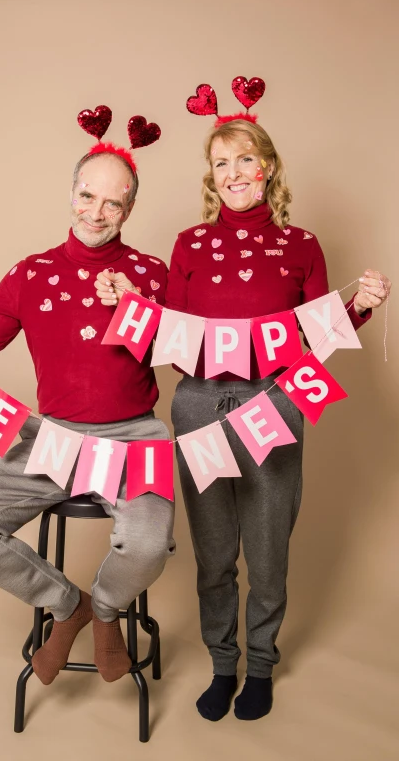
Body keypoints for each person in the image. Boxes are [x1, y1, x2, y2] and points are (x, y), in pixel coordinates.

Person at [0, 148, 175, 686]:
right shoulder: (31, 273)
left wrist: (141, 310)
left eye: (113, 203)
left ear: (129, 211)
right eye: (88, 196)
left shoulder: (152, 272)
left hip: (135, 437)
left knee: (149, 544)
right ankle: (69, 606)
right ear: (71, 194)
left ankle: (107, 611)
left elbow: (189, 356)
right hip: (54, 439)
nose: (96, 212)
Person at [164, 118, 391, 721]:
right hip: (199, 402)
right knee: (213, 552)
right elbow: (172, 335)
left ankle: (259, 666)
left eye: (244, 160)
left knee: (267, 549)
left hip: (277, 398)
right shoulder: (188, 244)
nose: (234, 174)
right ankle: (221, 663)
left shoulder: (303, 245)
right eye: (221, 164)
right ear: (211, 177)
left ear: (268, 166)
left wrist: (357, 309)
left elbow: (315, 339)